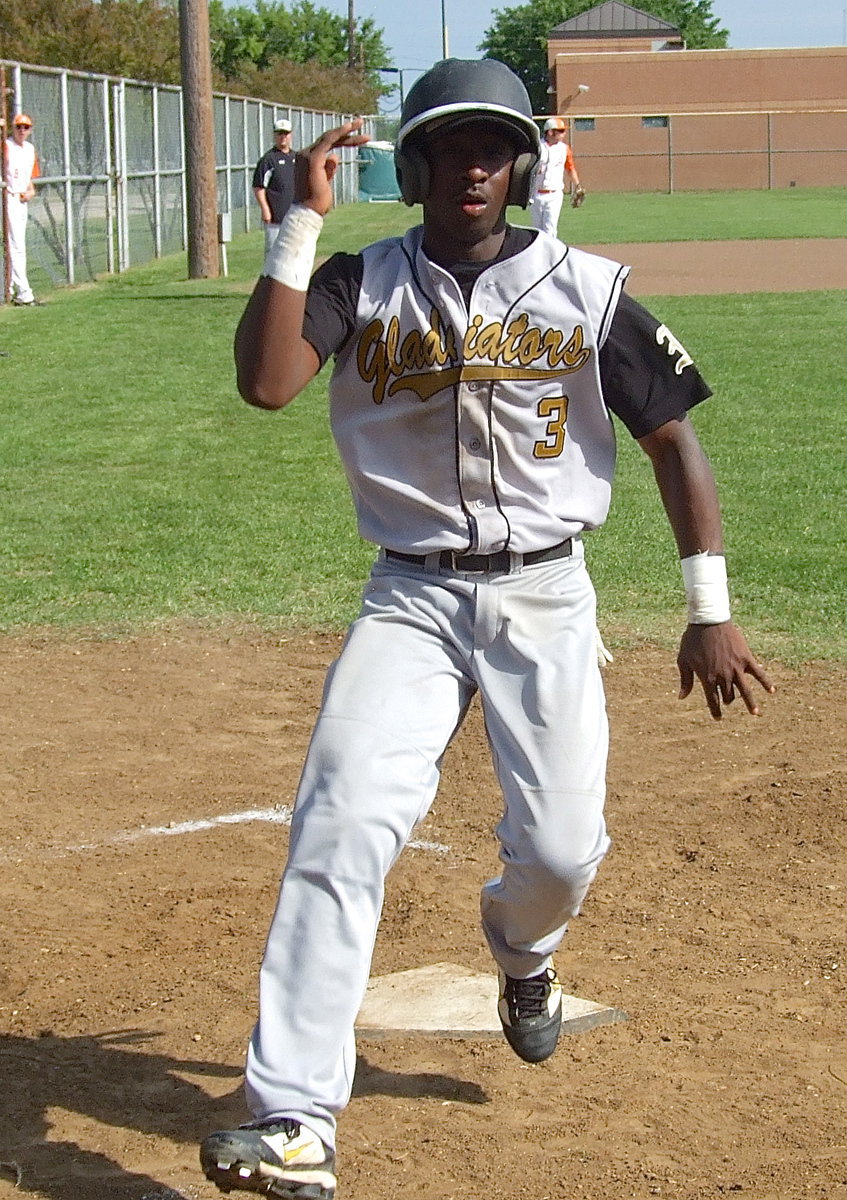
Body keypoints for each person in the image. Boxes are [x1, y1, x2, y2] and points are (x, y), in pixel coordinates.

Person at [200, 58, 774, 1200]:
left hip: (546, 597)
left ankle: (525, 956)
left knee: (560, 854)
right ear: (412, 166)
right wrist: (297, 228)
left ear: (519, 166)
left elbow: (675, 443)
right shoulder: (361, 280)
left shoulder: (589, 290)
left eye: (492, 148)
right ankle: (297, 1117)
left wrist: (708, 608)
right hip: (407, 598)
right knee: (341, 821)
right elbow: (267, 385)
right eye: (449, 148)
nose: (472, 167)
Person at [2, 112, 42, 306]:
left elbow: (30, 178)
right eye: (18, 127)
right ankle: (24, 293)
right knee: (16, 246)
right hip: (8, 196)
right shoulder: (6, 144)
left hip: (21, 199)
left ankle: (9, 289)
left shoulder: (29, 149)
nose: (22, 131)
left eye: (25, 127)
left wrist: (31, 191)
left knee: (17, 245)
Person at [529, 115, 581, 236]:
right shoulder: (537, 147)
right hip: (536, 194)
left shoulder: (564, 149)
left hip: (554, 194)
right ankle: (539, 254)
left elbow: (570, 168)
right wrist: (534, 169)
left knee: (550, 230)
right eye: (561, 131)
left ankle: (551, 254)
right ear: (551, 132)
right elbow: (527, 166)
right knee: (538, 230)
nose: (564, 134)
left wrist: (577, 185)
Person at [252, 119, 296, 255]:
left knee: (293, 252)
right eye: (279, 134)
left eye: (285, 133)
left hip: (294, 216)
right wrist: (265, 209)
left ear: (290, 135)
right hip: (275, 218)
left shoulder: (297, 158)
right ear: (274, 136)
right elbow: (259, 187)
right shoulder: (268, 159)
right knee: (273, 252)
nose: (283, 137)